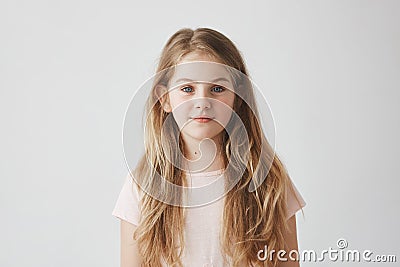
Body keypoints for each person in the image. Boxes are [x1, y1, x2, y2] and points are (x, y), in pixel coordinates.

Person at [112, 27, 306, 267]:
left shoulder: (269, 181)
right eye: (187, 89)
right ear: (164, 99)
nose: (202, 102)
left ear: (238, 97)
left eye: (217, 89)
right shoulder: (142, 187)